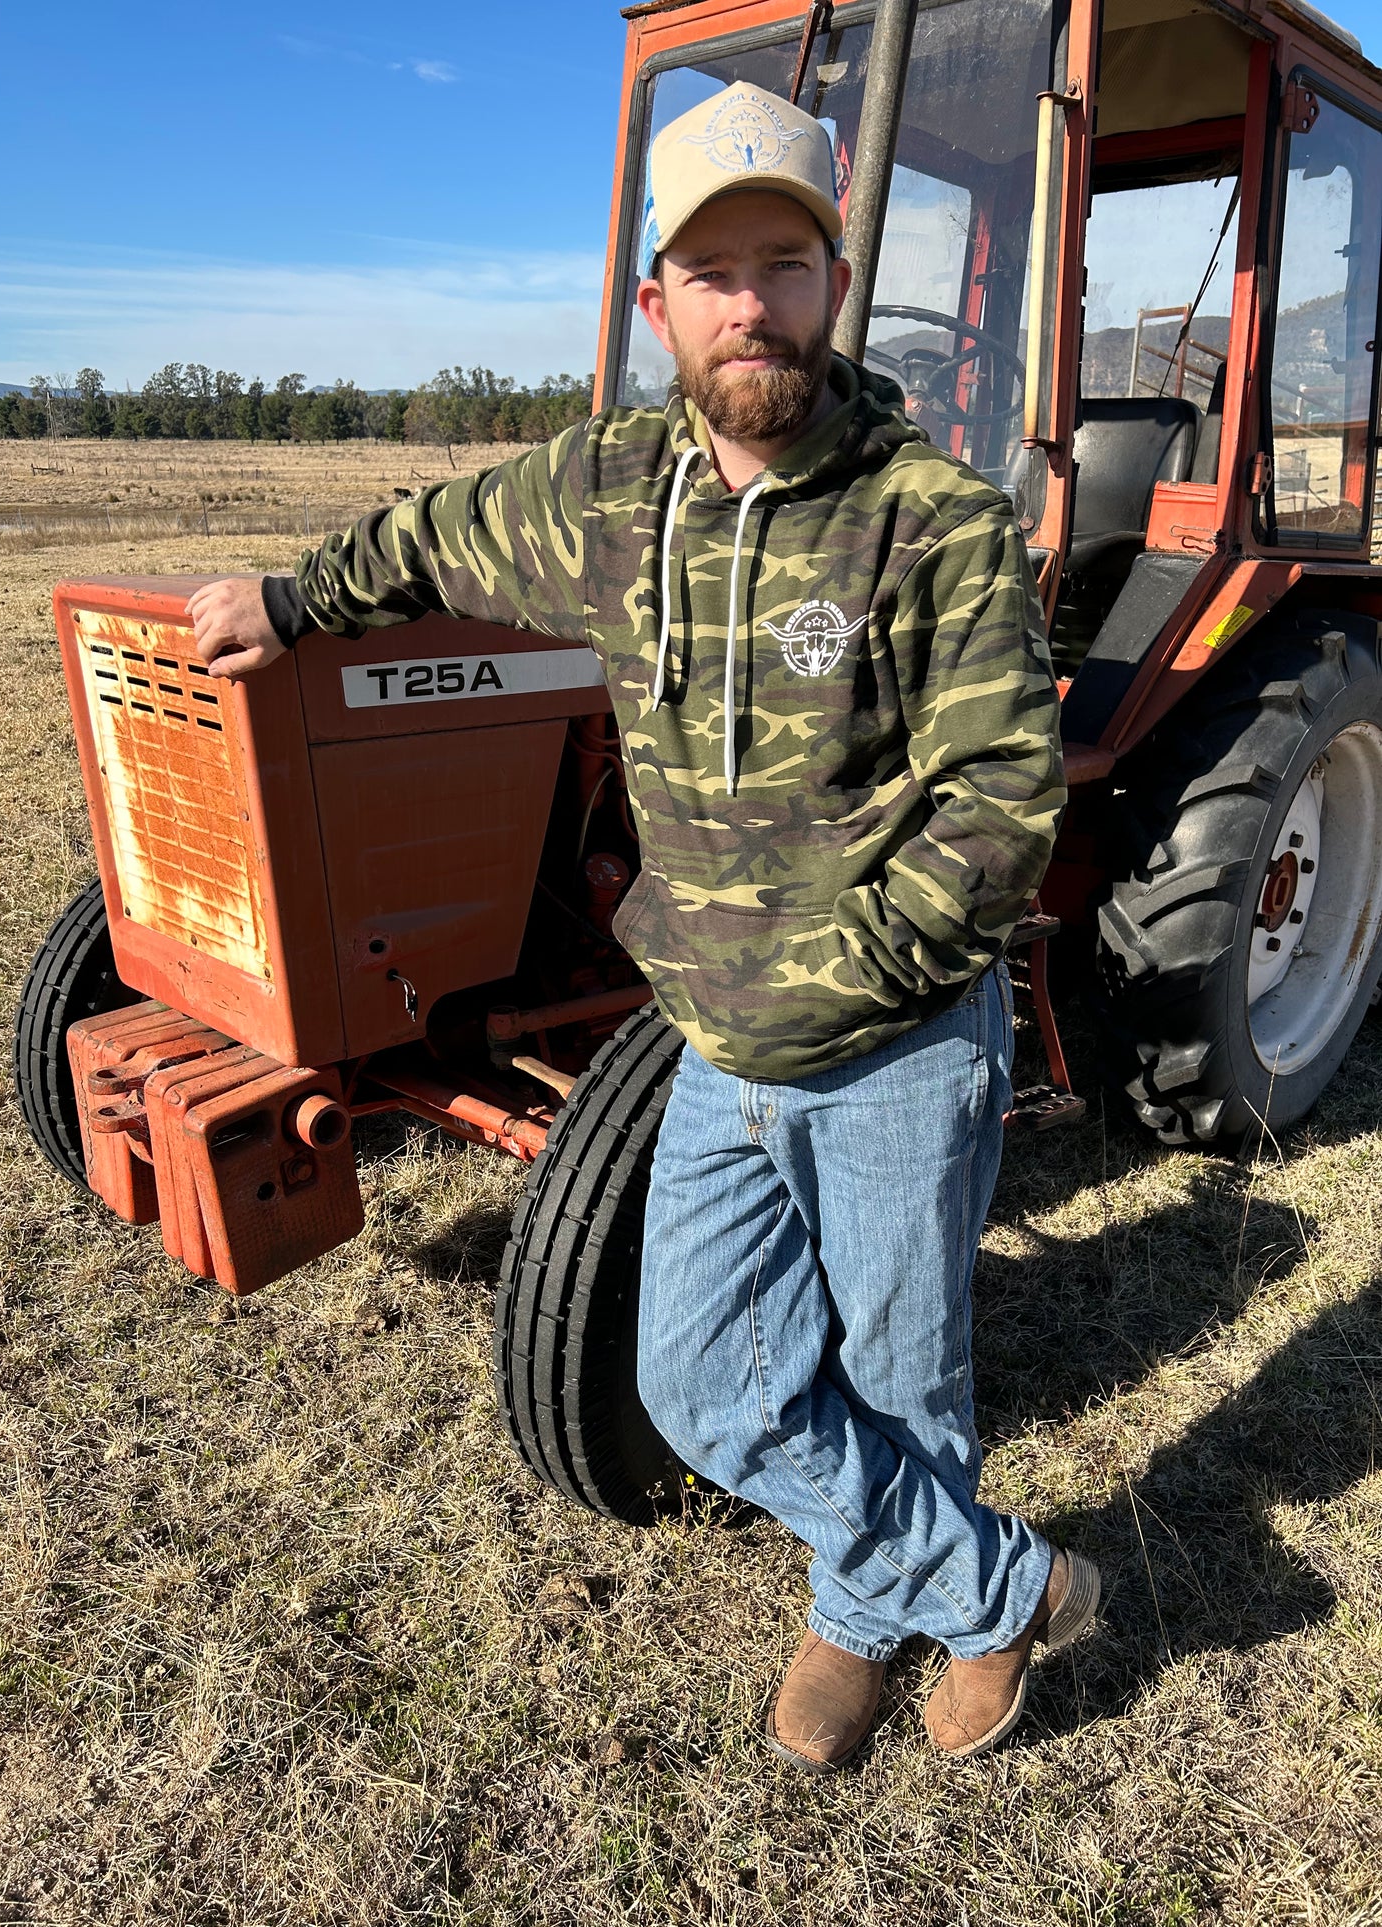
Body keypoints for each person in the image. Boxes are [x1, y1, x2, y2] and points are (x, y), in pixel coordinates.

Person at [187, 81, 1100, 1770]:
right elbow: (434, 530)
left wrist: (824, 995)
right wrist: (294, 599)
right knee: (702, 1383)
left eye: (783, 258)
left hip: (892, 1047)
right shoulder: (606, 490)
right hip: (706, 1041)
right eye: (710, 270)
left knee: (902, 1369)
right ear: (657, 304)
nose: (748, 300)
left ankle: (864, 1615)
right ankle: (997, 1590)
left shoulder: (935, 523)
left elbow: (995, 822)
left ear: (835, 278)